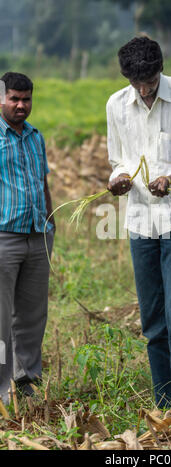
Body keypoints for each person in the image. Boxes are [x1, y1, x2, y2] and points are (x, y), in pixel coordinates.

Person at [106, 37, 171, 408]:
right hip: (139, 223)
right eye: (135, 82)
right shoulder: (116, 105)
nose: (143, 89)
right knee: (153, 320)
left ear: (160, 69)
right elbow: (117, 160)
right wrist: (117, 180)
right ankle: (162, 402)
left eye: (148, 81)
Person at [0, 72, 55, 405]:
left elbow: (43, 183)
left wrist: (50, 224)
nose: (21, 105)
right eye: (14, 99)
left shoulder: (36, 137)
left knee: (32, 315)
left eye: (26, 99)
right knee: (1, 317)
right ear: (1, 99)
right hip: (4, 237)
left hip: (38, 237)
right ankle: (2, 390)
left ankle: (27, 381)